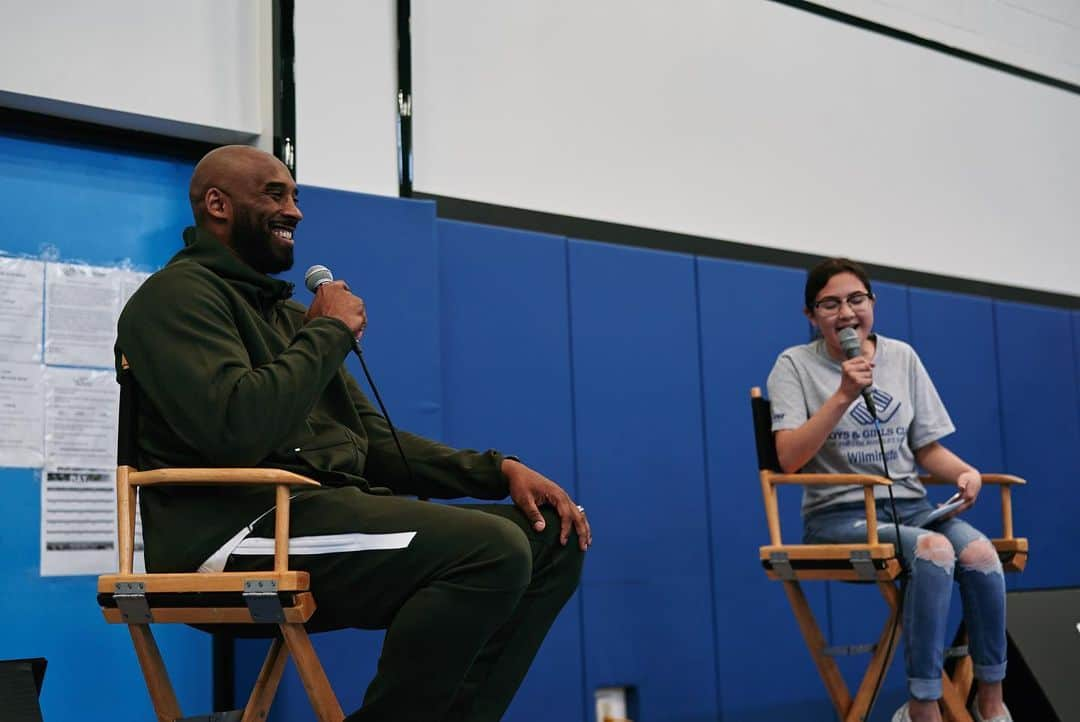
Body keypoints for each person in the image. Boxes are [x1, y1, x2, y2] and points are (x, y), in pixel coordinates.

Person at [115, 145, 589, 722]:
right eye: (274, 194)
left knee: (550, 540)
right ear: (217, 204)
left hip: (313, 512)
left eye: (295, 197)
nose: (295, 211)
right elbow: (236, 429)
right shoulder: (176, 298)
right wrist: (327, 333)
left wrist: (495, 471)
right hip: (228, 536)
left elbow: (371, 444)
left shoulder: (290, 318)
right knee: (487, 550)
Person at [766, 258, 1010, 722]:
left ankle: (991, 701)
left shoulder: (902, 357)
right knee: (934, 552)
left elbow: (927, 449)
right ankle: (922, 706)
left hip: (912, 509)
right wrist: (841, 396)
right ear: (811, 316)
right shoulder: (794, 365)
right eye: (830, 304)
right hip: (838, 517)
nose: (846, 312)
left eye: (856, 300)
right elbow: (789, 457)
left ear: (872, 304)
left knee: (979, 554)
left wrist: (965, 471)